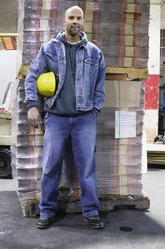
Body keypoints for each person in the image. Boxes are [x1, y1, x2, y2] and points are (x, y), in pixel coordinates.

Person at [24, 5, 106, 229]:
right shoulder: (49, 49)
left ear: (83, 21)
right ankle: (47, 211)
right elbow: (31, 77)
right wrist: (32, 105)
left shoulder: (94, 52)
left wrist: (94, 111)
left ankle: (90, 210)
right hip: (56, 118)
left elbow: (100, 87)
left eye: (79, 18)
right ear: (64, 21)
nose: (75, 21)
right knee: (51, 166)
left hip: (84, 119)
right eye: (71, 17)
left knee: (87, 167)